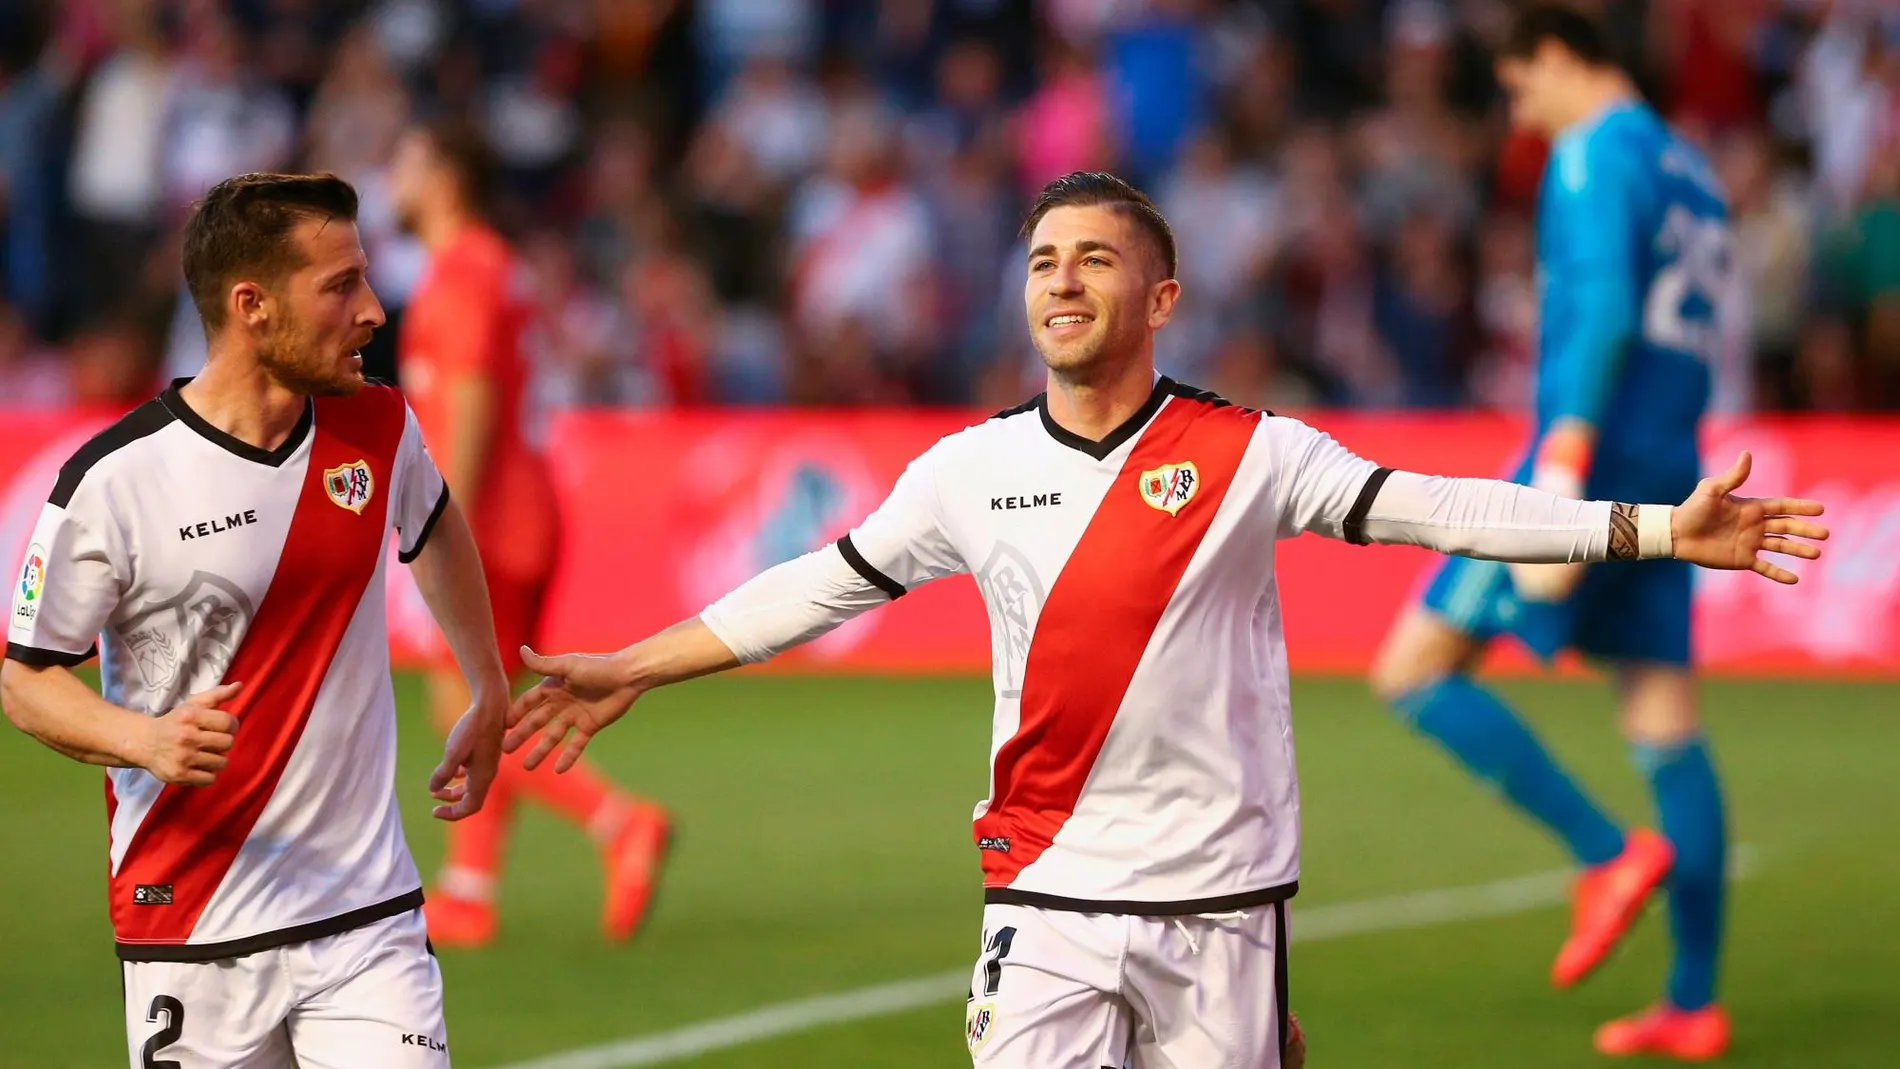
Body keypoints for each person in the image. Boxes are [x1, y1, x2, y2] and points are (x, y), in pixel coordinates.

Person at [503, 171, 1825, 1069]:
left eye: (1094, 259)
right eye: (1041, 262)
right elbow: (815, 583)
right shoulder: (962, 471)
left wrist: (1652, 528)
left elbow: (1438, 509)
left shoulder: (1250, 452)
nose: (1061, 280)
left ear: (1162, 298)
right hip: (1046, 897)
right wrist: (631, 664)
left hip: (1222, 903)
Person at [1, 172, 504, 1067]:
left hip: (364, 915)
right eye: (341, 284)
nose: (376, 310)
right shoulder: (115, 482)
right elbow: (25, 678)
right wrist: (143, 740)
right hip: (189, 925)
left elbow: (434, 527)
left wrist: (488, 681)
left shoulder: (378, 426)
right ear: (253, 306)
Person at [1370, 5, 1747, 1058]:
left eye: (1520, 86)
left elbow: (1605, 308)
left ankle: (1601, 852)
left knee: (1412, 668)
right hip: (1674, 469)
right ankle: (1692, 998)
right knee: (1666, 720)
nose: (1520, 112)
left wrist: (1565, 460)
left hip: (1586, 470)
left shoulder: (1591, 153)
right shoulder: (1693, 171)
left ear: (1558, 58)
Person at [387, 119, 671, 948]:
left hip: (489, 517)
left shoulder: (466, 272)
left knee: (465, 702)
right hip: (523, 506)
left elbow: (469, 399)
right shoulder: (492, 268)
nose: (392, 178)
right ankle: (469, 888)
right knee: (486, 698)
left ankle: (620, 821)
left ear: (443, 173)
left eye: (406, 159)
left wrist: (446, 528)